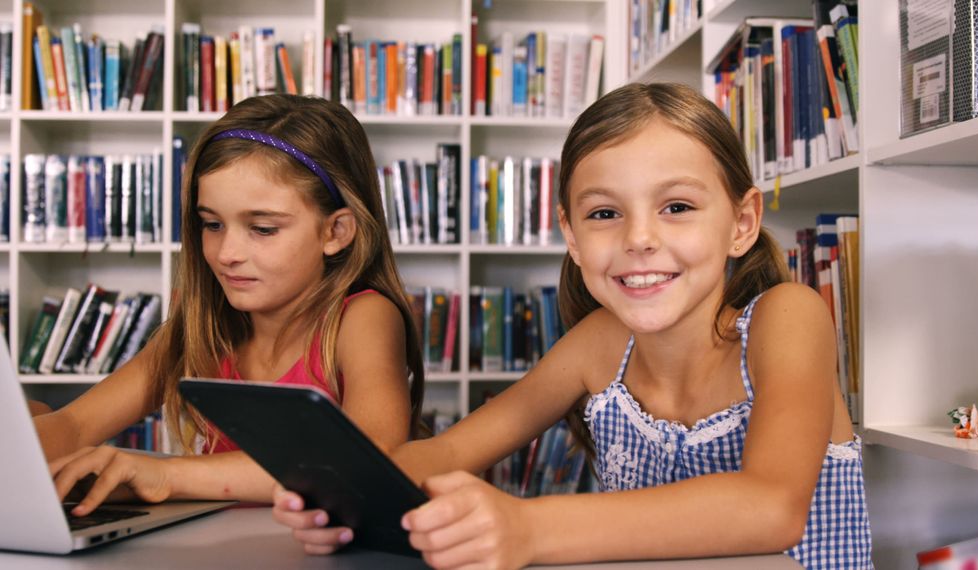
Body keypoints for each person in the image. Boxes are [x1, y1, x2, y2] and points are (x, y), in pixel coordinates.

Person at [273, 83, 872, 569]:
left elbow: (770, 509)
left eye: (677, 207)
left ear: (741, 223)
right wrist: (347, 496)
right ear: (572, 237)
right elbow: (452, 450)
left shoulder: (787, 316)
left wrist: (528, 526)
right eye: (605, 213)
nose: (639, 239)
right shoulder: (600, 345)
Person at [36, 94, 425, 518]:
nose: (226, 253)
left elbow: (370, 457)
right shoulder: (202, 327)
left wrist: (169, 476)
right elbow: (76, 425)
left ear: (336, 232)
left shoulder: (363, 318)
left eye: (261, 228)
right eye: (212, 224)